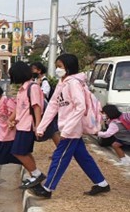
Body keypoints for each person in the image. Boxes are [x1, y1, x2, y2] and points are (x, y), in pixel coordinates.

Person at [31, 54, 110, 198]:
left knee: (59, 157)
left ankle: (47, 188)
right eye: (56, 66)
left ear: (68, 67)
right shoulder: (62, 83)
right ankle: (102, 183)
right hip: (69, 128)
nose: (57, 69)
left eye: (59, 66)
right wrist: (42, 126)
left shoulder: (73, 83)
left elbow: (81, 107)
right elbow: (53, 106)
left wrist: (67, 129)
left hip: (71, 130)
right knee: (82, 157)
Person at [9, 61, 45, 188]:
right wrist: (13, 120)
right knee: (25, 153)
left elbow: (37, 107)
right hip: (21, 125)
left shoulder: (32, 87)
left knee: (18, 152)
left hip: (28, 126)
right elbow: (20, 108)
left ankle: (37, 174)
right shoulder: (22, 89)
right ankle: (34, 176)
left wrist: (38, 126)